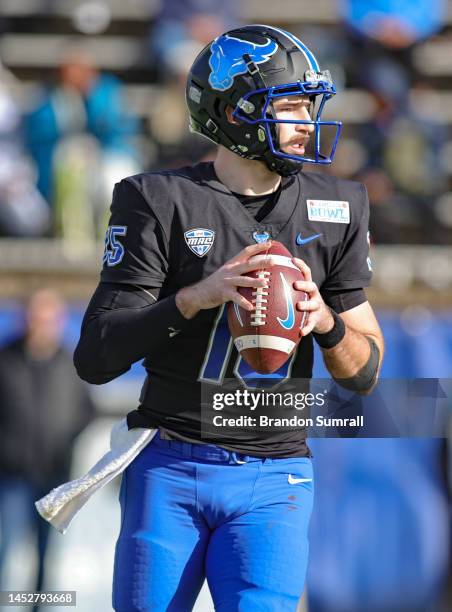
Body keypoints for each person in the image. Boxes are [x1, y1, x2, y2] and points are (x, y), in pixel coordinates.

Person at [74, 24, 384, 611]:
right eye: (288, 106)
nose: (305, 124)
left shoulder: (341, 206)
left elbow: (365, 372)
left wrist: (327, 324)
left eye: (308, 107)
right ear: (232, 113)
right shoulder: (157, 199)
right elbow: (95, 355)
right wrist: (195, 297)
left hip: (277, 475)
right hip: (171, 463)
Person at [0, 288, 95, 610]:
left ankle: (38, 607)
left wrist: (66, 441)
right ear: (24, 317)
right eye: (35, 314)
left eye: (48, 316)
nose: (41, 322)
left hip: (53, 476)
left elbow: (86, 411)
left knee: (44, 554)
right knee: (4, 548)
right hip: (10, 475)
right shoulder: (5, 359)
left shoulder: (70, 363)